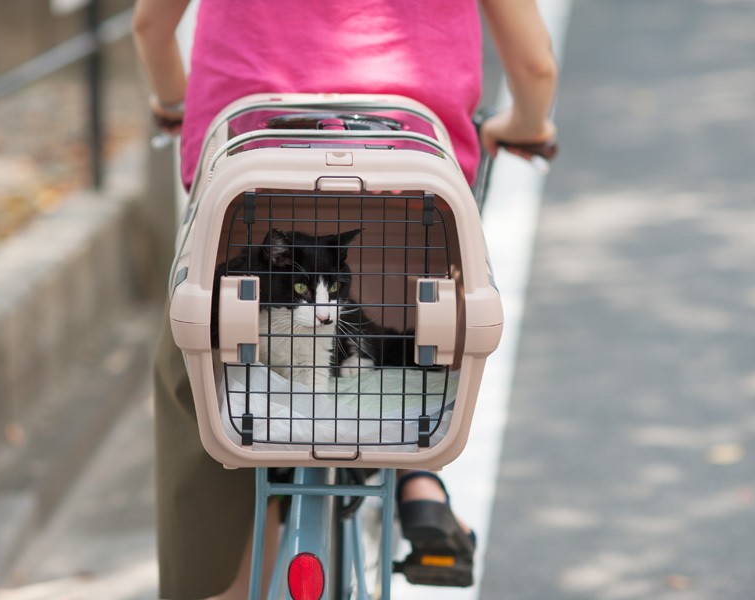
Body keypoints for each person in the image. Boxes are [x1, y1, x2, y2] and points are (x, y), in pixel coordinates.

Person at [132, 1, 558, 598]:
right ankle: (419, 476)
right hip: (409, 176)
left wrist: (173, 103)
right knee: (421, 314)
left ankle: (216, 581)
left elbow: (150, 27)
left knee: (197, 356)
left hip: (252, 167)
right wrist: (528, 125)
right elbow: (535, 66)